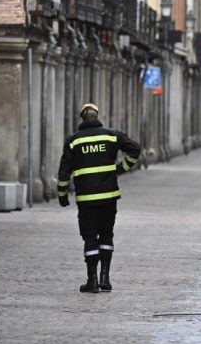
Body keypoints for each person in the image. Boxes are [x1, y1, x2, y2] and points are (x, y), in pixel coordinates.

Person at [57, 103, 142, 294]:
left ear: (82, 119)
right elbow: (135, 149)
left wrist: (62, 195)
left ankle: (92, 281)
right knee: (106, 235)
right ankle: (105, 278)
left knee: (89, 237)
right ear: (97, 117)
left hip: (86, 199)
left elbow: (64, 171)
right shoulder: (111, 135)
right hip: (109, 197)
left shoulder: (73, 141)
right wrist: (119, 169)